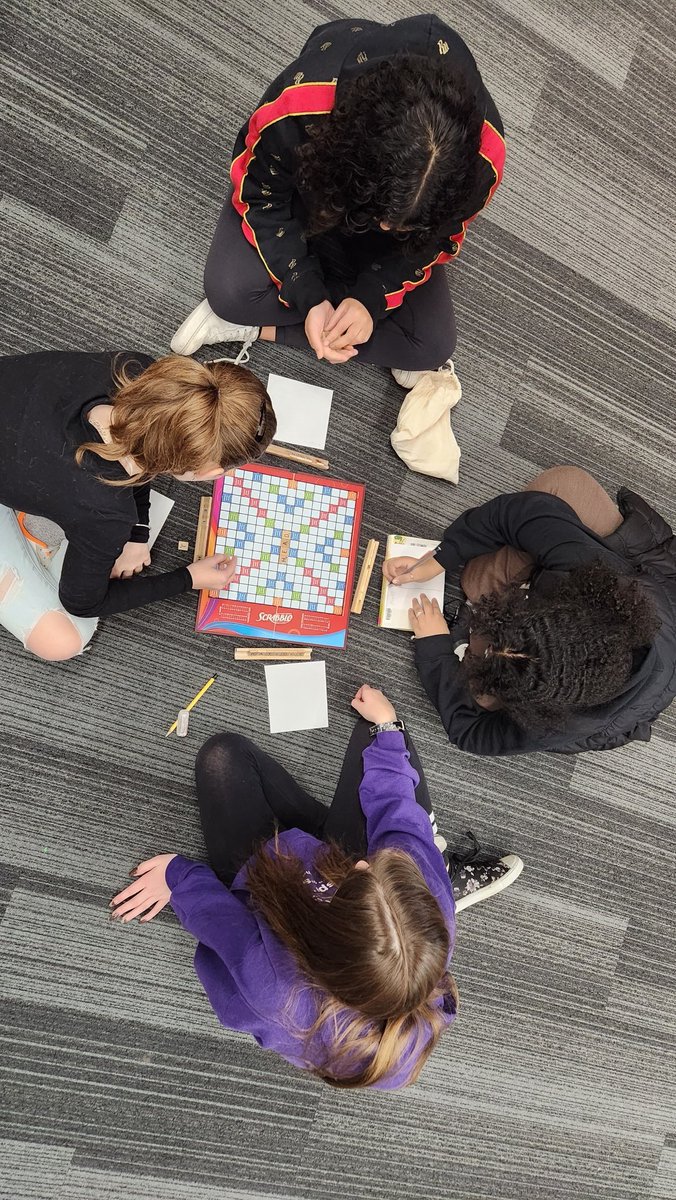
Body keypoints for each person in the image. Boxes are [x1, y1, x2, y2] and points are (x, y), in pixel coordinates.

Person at [110, 684, 523, 1089]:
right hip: (328, 876)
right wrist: (388, 729)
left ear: (326, 930)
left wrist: (179, 879)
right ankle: (437, 864)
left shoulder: (273, 987)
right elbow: (399, 821)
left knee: (222, 757)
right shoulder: (432, 909)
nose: (362, 861)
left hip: (274, 884)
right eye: (381, 869)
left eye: (359, 877)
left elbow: (222, 929)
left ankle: (323, 842)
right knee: (382, 744)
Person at [170, 15, 505, 386]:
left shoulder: (484, 161)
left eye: (404, 222)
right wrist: (307, 292)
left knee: (434, 345)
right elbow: (260, 196)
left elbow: (436, 243)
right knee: (229, 293)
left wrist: (370, 298)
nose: (386, 227)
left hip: (368, 224)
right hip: (312, 193)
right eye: (383, 214)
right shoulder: (300, 105)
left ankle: (260, 327)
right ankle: (269, 319)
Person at [0, 350, 276, 662]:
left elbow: (145, 447)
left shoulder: (137, 368)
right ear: (210, 474)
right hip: (73, 496)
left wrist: (138, 532)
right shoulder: (107, 514)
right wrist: (190, 578)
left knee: (82, 525)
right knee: (65, 640)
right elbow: (82, 603)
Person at [383, 466, 676, 755]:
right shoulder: (605, 580)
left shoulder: (563, 723)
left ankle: (495, 634)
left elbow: (469, 732)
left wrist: (434, 647)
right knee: (564, 483)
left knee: (479, 695)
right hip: (648, 580)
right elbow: (521, 513)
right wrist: (441, 557)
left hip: (597, 694)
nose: (485, 648)